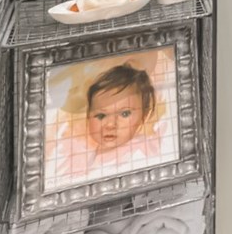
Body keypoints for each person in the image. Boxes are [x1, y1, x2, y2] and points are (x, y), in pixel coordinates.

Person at [48, 60, 173, 188]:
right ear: (88, 117)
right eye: (101, 116)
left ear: (143, 116)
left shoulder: (143, 153)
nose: (110, 124)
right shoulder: (83, 157)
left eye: (124, 114)